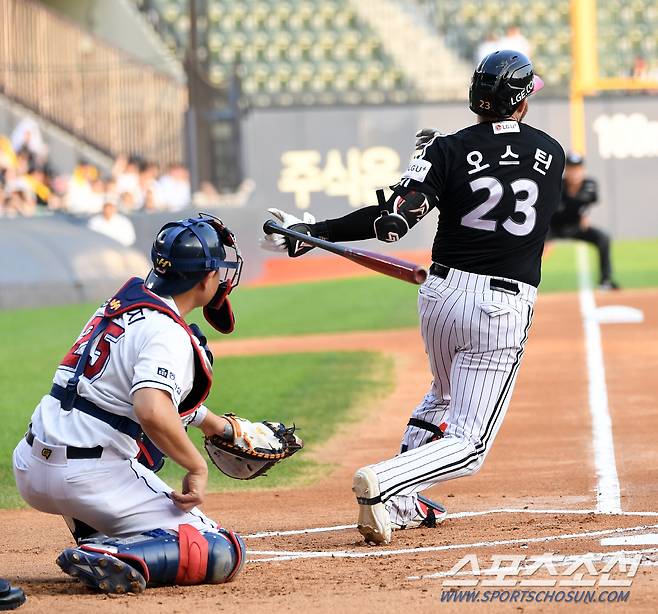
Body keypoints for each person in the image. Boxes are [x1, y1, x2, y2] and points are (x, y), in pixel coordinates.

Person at [262, 50, 565, 544]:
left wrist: (314, 229)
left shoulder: (445, 149)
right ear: (522, 99)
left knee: (443, 394)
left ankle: (400, 502)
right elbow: (507, 176)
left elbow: (391, 222)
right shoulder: (551, 152)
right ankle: (387, 481)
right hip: (501, 306)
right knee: (470, 444)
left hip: (440, 295)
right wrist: (428, 170)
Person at [12, 215, 258, 593]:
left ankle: (98, 533)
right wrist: (195, 465)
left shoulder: (120, 306)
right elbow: (151, 410)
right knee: (223, 550)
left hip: (31, 467)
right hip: (86, 478)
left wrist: (216, 425)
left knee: (126, 442)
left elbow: (120, 397)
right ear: (207, 278)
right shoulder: (168, 332)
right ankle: (118, 553)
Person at [547, 152, 619, 290]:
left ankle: (606, 280)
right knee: (536, 245)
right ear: (566, 170)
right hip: (554, 227)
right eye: (571, 168)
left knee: (603, 238)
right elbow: (550, 209)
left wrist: (584, 215)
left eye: (578, 168)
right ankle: (529, 283)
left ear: (583, 170)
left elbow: (587, 203)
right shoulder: (557, 185)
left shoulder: (590, 185)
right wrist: (546, 238)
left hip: (576, 227)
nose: (575, 172)